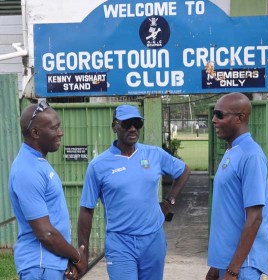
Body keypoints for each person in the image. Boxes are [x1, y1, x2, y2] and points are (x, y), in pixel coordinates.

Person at [78, 104, 190, 280]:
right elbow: (86, 210)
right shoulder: (98, 165)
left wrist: (169, 201)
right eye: (127, 124)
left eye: (137, 124)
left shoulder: (154, 154)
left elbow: (184, 171)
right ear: (115, 126)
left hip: (153, 240)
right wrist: (82, 251)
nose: (132, 129)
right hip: (120, 243)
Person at [8, 101, 87, 280]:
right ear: (35, 133)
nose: (61, 132)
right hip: (40, 266)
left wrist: (65, 260)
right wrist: (76, 257)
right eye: (54, 128)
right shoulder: (27, 170)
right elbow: (46, 233)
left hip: (49, 264)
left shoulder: (37, 163)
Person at [206, 92, 268, 280]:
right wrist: (217, 266)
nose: (213, 120)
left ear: (240, 118)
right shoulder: (232, 151)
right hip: (227, 263)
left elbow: (255, 217)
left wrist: (233, 269)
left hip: (243, 266)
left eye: (220, 114)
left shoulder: (251, 155)